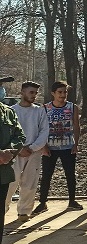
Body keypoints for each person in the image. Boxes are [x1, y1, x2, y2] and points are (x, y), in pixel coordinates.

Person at [4, 81, 49, 221]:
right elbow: (8, 133)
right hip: (14, 153)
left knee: (30, 183)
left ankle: (24, 211)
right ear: (22, 92)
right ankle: (2, 210)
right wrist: (18, 149)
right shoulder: (11, 110)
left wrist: (33, 148)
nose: (34, 95)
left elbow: (44, 131)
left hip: (33, 152)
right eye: (31, 92)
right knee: (10, 183)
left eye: (36, 93)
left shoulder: (39, 111)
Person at [36, 81, 82, 214]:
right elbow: (41, 128)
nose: (62, 95)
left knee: (70, 174)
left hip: (68, 146)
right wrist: (44, 145)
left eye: (65, 92)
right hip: (50, 147)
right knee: (46, 175)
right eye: (59, 92)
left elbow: (76, 126)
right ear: (53, 93)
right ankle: (42, 202)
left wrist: (76, 144)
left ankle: (72, 201)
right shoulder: (45, 108)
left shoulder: (72, 107)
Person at [0, 75, 25, 244]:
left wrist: (9, 152)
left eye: (1, 85)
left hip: (3, 172)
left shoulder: (8, 112)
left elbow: (19, 136)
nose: (2, 89)